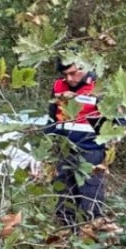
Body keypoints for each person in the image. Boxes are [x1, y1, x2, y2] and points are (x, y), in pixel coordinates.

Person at [46, 53, 107, 227]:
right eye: (65, 75)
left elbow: (115, 122)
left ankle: (94, 238)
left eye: (73, 73)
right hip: (63, 150)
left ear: (83, 67)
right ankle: (66, 237)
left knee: (90, 197)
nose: (69, 79)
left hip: (90, 149)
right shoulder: (58, 86)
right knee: (64, 197)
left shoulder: (99, 86)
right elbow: (52, 117)